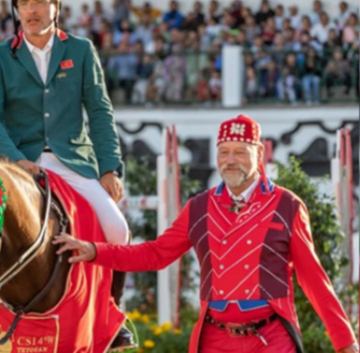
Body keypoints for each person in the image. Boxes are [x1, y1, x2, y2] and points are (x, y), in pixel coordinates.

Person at [54, 115, 359, 353]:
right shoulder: (200, 207)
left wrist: (344, 341)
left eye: (240, 152)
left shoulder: (287, 205)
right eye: (224, 152)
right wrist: (95, 251)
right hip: (214, 338)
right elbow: (157, 253)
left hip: (271, 337)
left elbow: (313, 279)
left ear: (260, 154)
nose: (230, 160)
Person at [0, 0, 133, 348]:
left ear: (55, 8)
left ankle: (112, 315)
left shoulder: (80, 50)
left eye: (41, 2)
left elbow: (99, 111)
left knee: (118, 231)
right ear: (16, 10)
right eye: (25, 3)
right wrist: (15, 161)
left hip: (73, 161)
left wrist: (110, 168)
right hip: (16, 162)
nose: (32, 10)